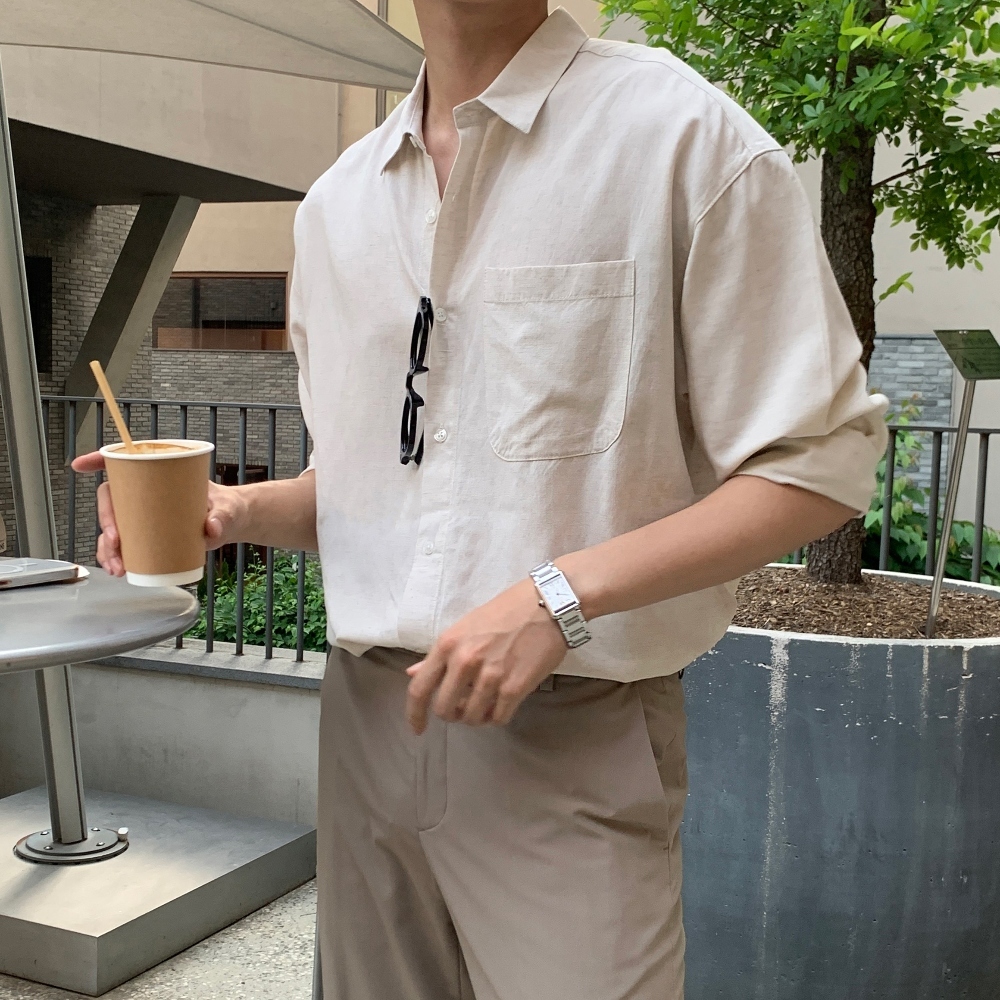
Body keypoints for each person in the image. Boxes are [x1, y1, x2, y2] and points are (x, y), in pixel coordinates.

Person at [74, 2, 887, 997]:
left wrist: (556, 595)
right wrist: (233, 512)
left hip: (572, 732)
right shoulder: (336, 206)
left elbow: (819, 464)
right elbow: (376, 490)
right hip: (366, 725)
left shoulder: (681, 139)